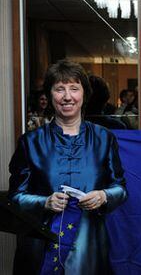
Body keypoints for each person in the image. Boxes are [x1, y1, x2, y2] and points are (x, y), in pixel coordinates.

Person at [8, 60, 128, 274]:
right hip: (40, 250)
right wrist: (44, 202)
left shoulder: (104, 138)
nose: (67, 96)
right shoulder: (31, 142)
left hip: (88, 247)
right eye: (59, 89)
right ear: (49, 94)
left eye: (74, 88)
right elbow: (15, 197)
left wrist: (103, 196)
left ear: (84, 94)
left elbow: (120, 189)